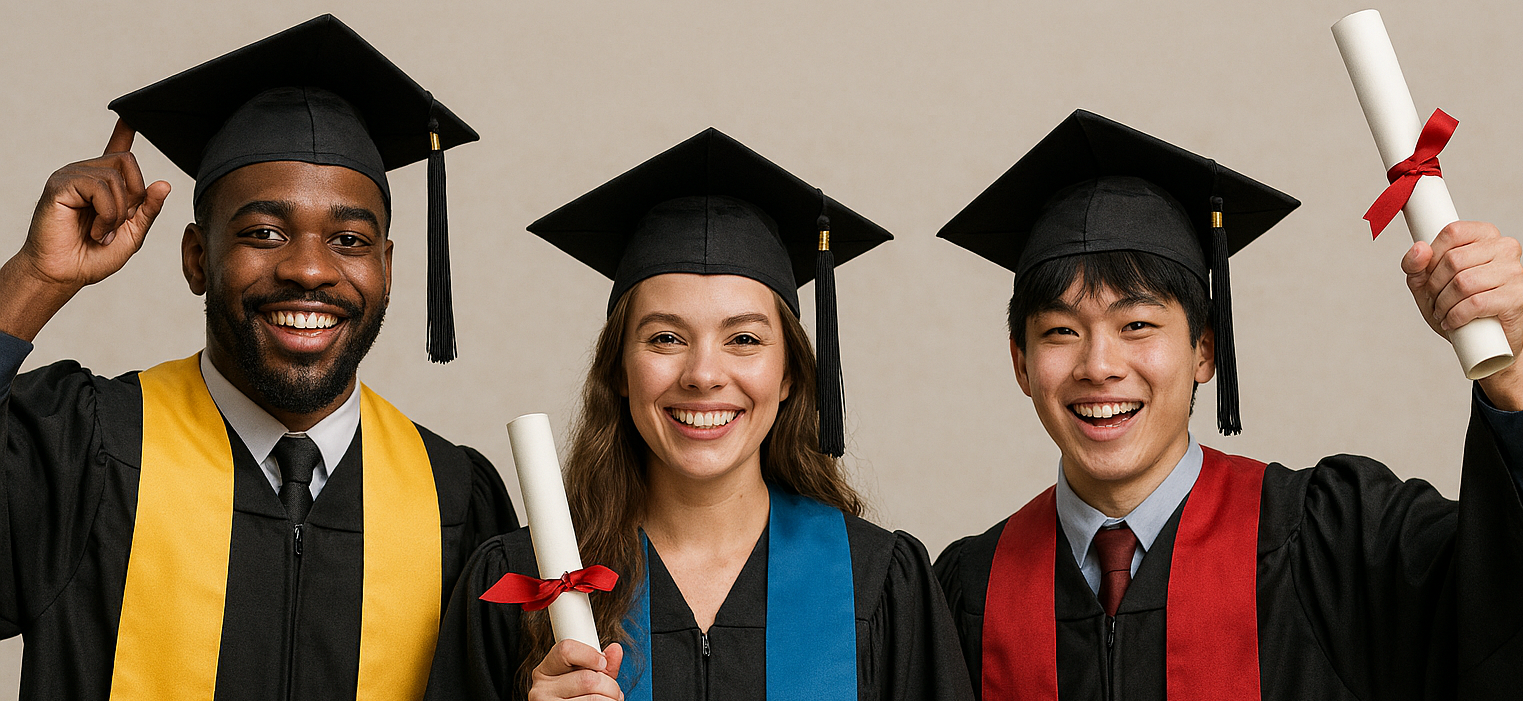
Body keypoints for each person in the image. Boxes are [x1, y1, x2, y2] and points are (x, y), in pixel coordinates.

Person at [0, 15, 517, 700]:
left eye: (351, 240)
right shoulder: (78, 449)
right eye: (264, 231)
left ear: (387, 269)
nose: (309, 269)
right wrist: (37, 277)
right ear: (195, 258)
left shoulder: (456, 499)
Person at [932, 109, 1523, 700]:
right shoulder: (965, 594)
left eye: (1137, 324)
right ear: (1021, 363)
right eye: (1061, 332)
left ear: (1204, 351)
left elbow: (1498, 605)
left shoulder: (1335, 542)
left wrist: (1515, 374)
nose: (1099, 366)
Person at [424, 128, 974, 701]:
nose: (703, 374)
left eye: (743, 339)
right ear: (618, 369)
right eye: (665, 338)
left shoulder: (878, 583)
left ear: (789, 374)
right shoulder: (523, 585)